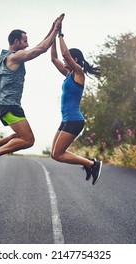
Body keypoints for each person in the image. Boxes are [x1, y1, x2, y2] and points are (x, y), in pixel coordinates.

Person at [0, 14, 65, 174]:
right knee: (28, 140)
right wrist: (55, 30)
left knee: (20, 136)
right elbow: (39, 50)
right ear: (16, 42)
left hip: (7, 105)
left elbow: (40, 46)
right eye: (25, 41)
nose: (27, 44)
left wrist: (53, 29)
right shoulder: (15, 57)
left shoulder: (7, 56)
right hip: (9, 106)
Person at [50, 27, 103, 185]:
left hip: (74, 120)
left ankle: (92, 164)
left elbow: (65, 54)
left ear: (76, 61)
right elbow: (54, 58)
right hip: (66, 120)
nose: (65, 61)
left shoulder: (78, 73)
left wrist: (60, 34)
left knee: (59, 154)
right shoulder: (67, 75)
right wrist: (52, 35)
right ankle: (88, 164)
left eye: (68, 60)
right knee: (54, 154)